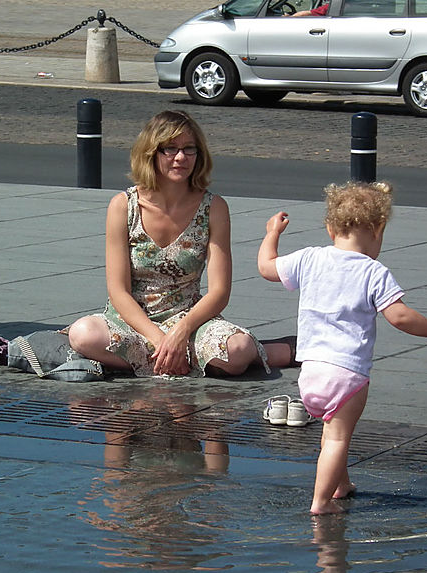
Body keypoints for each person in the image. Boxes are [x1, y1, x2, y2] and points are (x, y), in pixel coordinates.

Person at [257, 182, 427, 515]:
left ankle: (340, 485)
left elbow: (266, 267)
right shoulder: (374, 272)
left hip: (311, 372)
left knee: (331, 433)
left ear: (331, 228)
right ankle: (320, 503)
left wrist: (272, 232)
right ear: (378, 229)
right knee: (337, 439)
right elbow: (401, 316)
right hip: (347, 374)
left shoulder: (310, 258)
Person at [67, 110, 296, 378]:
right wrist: (159, 339)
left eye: (189, 149)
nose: (181, 158)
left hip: (189, 319)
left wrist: (179, 333)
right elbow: (118, 291)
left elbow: (219, 291)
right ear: (151, 153)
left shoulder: (213, 208)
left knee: (237, 349)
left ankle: (179, 358)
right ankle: (206, 358)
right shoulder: (123, 206)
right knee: (83, 334)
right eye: (170, 149)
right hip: (132, 322)